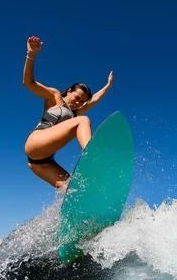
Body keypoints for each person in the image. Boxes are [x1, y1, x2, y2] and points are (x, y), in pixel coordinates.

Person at [23, 36, 113, 190]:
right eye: (76, 97)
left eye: (81, 102)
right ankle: (92, 156)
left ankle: (84, 213)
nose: (77, 103)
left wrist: (108, 86)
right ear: (70, 90)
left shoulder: (75, 112)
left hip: (40, 162)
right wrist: (31, 55)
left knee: (73, 191)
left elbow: (95, 99)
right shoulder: (55, 97)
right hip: (36, 142)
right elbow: (28, 83)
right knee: (83, 120)